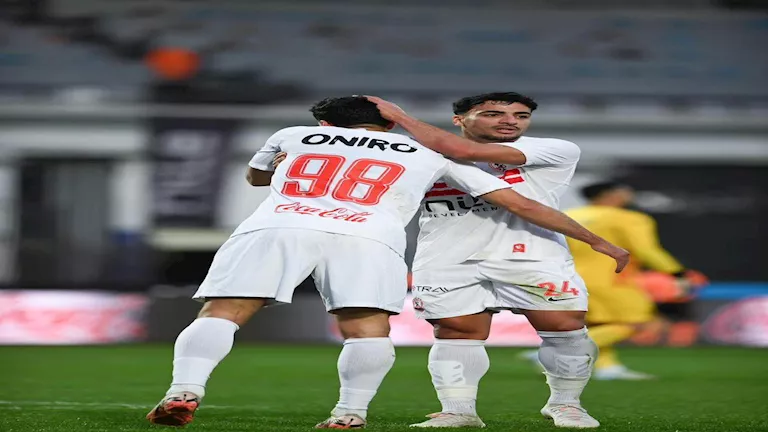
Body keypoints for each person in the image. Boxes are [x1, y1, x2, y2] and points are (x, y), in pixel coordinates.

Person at [145, 96, 628, 429]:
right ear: (391, 124)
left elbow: (256, 178)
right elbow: (518, 202)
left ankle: (184, 389)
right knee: (366, 330)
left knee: (222, 313)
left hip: (279, 226)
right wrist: (596, 241)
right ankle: (350, 413)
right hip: (369, 236)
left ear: (325, 125)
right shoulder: (424, 153)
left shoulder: (293, 134)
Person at [366, 93, 607, 428]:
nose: (510, 121)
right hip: (446, 255)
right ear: (459, 119)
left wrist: (401, 118)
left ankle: (566, 405)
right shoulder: (421, 154)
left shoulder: (552, 149)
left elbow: (462, 151)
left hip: (531, 253)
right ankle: (459, 410)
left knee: (565, 326)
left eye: (521, 116)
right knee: (455, 331)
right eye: (493, 114)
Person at [556, 181, 706, 380]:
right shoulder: (629, 218)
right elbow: (646, 250)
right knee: (638, 323)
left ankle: (608, 368)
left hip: (570, 277)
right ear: (610, 194)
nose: (629, 194)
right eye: (624, 191)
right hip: (613, 279)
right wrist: (677, 273)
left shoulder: (568, 215)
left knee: (600, 324)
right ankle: (559, 353)